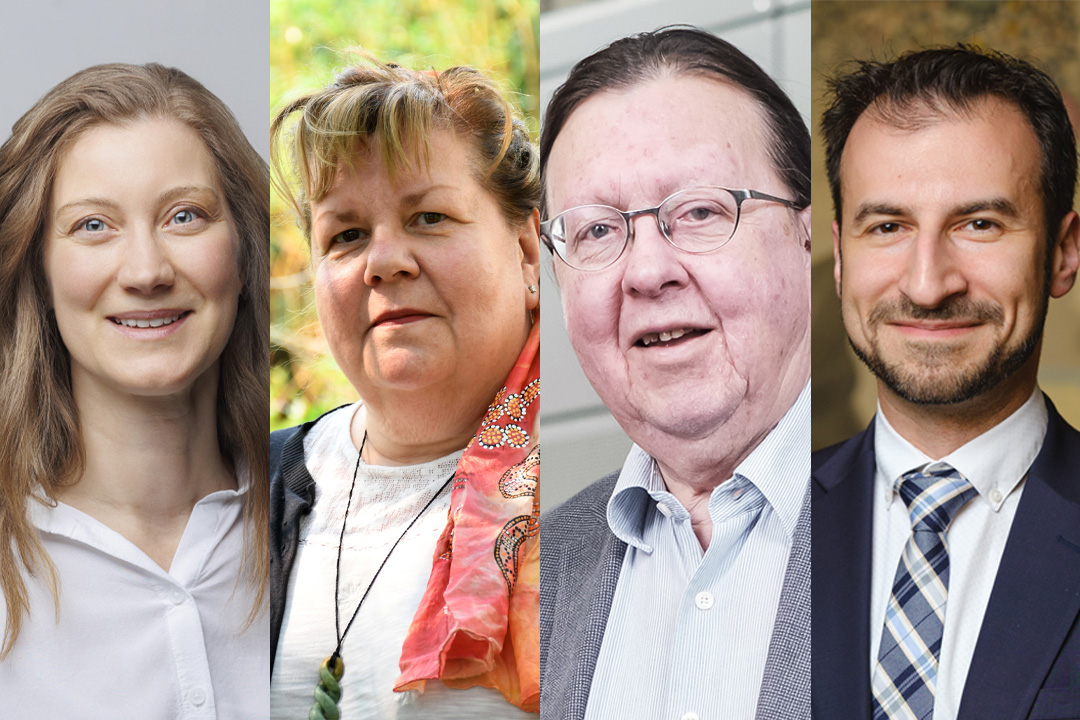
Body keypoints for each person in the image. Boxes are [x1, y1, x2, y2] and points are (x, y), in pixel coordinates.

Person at [539, 27, 811, 720]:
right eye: (598, 230)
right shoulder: (534, 574)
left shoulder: (920, 523)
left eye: (698, 211)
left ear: (807, 234)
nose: (647, 271)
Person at [268, 56, 542, 718]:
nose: (384, 262)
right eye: (347, 234)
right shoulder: (250, 485)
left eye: (429, 217)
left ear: (528, 254)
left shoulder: (605, 496)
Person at [815, 46, 1080, 720]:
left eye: (979, 224)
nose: (928, 285)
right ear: (841, 256)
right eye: (888, 226)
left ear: (1063, 252)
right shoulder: (748, 529)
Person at [0, 63, 270, 717]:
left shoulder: (323, 528)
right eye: (93, 225)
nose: (147, 271)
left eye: (185, 216)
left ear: (243, 254)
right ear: (40, 272)